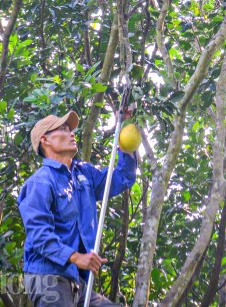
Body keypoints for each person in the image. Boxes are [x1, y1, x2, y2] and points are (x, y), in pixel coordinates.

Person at [18, 111, 138, 307]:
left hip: (77, 281)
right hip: (48, 278)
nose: (71, 133)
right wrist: (75, 257)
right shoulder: (40, 182)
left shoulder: (84, 174)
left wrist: (124, 128)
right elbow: (39, 235)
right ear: (45, 140)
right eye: (64, 129)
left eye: (71, 129)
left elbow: (122, 177)